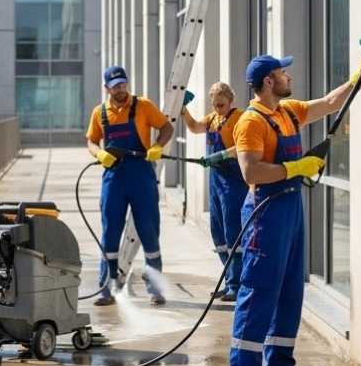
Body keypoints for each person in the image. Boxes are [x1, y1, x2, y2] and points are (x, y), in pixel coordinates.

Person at [229, 31, 361, 366]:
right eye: (284, 74)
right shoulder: (251, 122)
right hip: (264, 211)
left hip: (289, 208)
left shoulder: (288, 112)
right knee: (259, 291)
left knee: (288, 290)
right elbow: (251, 172)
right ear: (269, 82)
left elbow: (332, 103)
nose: (290, 77)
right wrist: (296, 167)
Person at [86, 65, 175, 306]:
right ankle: (107, 288)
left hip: (141, 174)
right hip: (113, 177)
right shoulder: (100, 113)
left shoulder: (143, 106)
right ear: (107, 88)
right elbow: (92, 141)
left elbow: (167, 127)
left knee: (149, 231)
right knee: (110, 232)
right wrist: (99, 154)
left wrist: (157, 146)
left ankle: (156, 289)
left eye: (123, 84)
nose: (121, 89)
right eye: (115, 86)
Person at [180, 82, 248, 302]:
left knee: (233, 232)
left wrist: (220, 156)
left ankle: (238, 284)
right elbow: (193, 127)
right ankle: (229, 280)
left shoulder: (240, 118)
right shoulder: (212, 119)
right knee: (217, 232)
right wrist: (182, 107)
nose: (218, 108)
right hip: (216, 181)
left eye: (222, 104)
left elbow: (243, 146)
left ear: (231, 101)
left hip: (234, 181)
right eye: (215, 104)